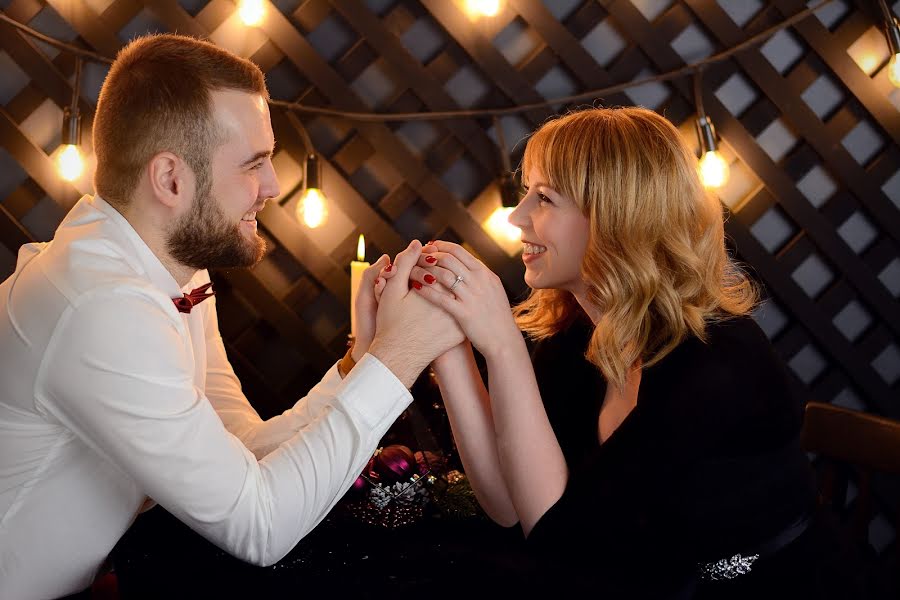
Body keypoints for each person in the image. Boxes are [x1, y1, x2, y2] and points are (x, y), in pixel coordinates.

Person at [0, 34, 461, 599]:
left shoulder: (176, 272)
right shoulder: (103, 306)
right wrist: (402, 355)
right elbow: (260, 526)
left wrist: (361, 360)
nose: (271, 187)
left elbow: (240, 450)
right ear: (171, 179)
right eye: (254, 163)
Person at [380, 107, 864, 597]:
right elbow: (509, 504)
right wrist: (449, 341)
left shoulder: (720, 364)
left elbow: (559, 540)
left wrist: (502, 343)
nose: (516, 216)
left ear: (615, 218)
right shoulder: (577, 336)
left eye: (543, 197)